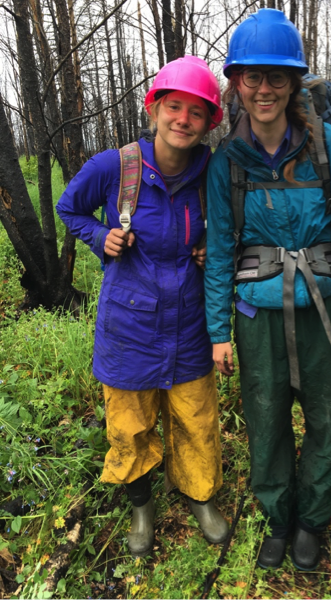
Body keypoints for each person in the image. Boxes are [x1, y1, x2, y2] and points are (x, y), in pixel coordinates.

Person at [204, 9, 331, 571]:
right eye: (252, 76)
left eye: (276, 76)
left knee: (326, 416)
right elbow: (222, 251)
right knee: (267, 417)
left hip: (323, 311)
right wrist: (217, 333)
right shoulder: (228, 161)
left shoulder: (325, 146)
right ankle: (278, 517)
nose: (264, 89)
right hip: (256, 316)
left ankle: (311, 521)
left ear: (294, 81)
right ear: (236, 83)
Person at [56, 56, 229, 557]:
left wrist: (213, 245)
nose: (183, 120)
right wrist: (97, 235)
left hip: (191, 323)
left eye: (196, 113)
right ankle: (141, 508)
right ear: (153, 108)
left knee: (196, 419)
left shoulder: (212, 172)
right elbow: (69, 209)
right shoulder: (116, 166)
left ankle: (200, 497)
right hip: (128, 326)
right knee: (130, 425)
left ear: (208, 123)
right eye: (173, 107)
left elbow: (235, 224)